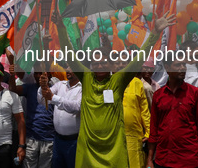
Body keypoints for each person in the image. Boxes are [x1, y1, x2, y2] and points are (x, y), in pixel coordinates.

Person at [52, 10, 175, 167]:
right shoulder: (87, 78)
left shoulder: (118, 80)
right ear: (90, 66)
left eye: (104, 62)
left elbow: (138, 61)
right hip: (88, 149)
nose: (100, 65)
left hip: (114, 149)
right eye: (95, 63)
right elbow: (69, 55)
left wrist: (155, 34)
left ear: (111, 65)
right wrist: (61, 28)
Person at [146, 55, 198, 168]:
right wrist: (150, 160)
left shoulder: (195, 93)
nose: (182, 68)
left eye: (184, 65)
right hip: (163, 159)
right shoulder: (158, 95)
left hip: (188, 160)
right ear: (167, 67)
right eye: (178, 65)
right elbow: (154, 129)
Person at [8, 65, 54, 168]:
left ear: (49, 74)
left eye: (41, 73)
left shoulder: (56, 89)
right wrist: (12, 75)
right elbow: (13, 89)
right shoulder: (29, 87)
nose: (38, 76)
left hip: (49, 138)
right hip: (31, 137)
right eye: (36, 73)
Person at [38, 69, 81, 168]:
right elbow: (42, 100)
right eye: (67, 66)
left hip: (74, 141)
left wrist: (53, 98)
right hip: (58, 140)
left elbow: (77, 107)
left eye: (72, 67)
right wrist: (43, 87)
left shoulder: (82, 87)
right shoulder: (60, 85)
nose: (68, 70)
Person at [123, 72, 151, 168]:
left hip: (133, 135)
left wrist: (148, 131)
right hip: (113, 135)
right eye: (117, 63)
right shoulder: (109, 83)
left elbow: (144, 110)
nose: (121, 65)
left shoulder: (137, 83)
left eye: (124, 63)